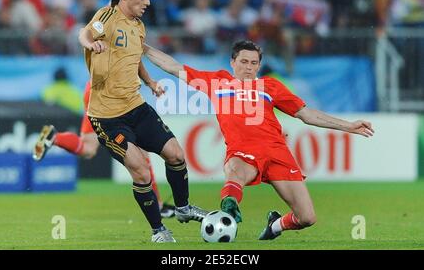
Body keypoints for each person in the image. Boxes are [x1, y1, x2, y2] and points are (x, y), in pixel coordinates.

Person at [144, 39, 374, 240]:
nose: (249, 68)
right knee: (234, 169)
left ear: (259, 66)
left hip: (277, 153)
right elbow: (174, 67)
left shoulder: (270, 86)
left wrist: (349, 126)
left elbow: (307, 114)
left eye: (254, 63)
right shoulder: (217, 82)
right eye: (244, 62)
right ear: (232, 62)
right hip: (242, 152)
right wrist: (143, 48)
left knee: (307, 217)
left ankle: (274, 225)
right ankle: (229, 205)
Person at [77, 0, 207, 243]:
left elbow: (134, 58)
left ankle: (183, 208)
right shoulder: (106, 16)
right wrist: (91, 44)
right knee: (140, 167)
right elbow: (85, 33)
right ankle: (158, 230)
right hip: (107, 117)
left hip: (135, 106)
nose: (148, 2)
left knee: (175, 154)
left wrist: (150, 82)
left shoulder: (138, 26)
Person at [33, 81, 176, 218]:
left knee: (88, 148)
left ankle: (55, 137)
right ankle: (157, 205)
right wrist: (148, 81)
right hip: (111, 93)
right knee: (140, 150)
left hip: (93, 89)